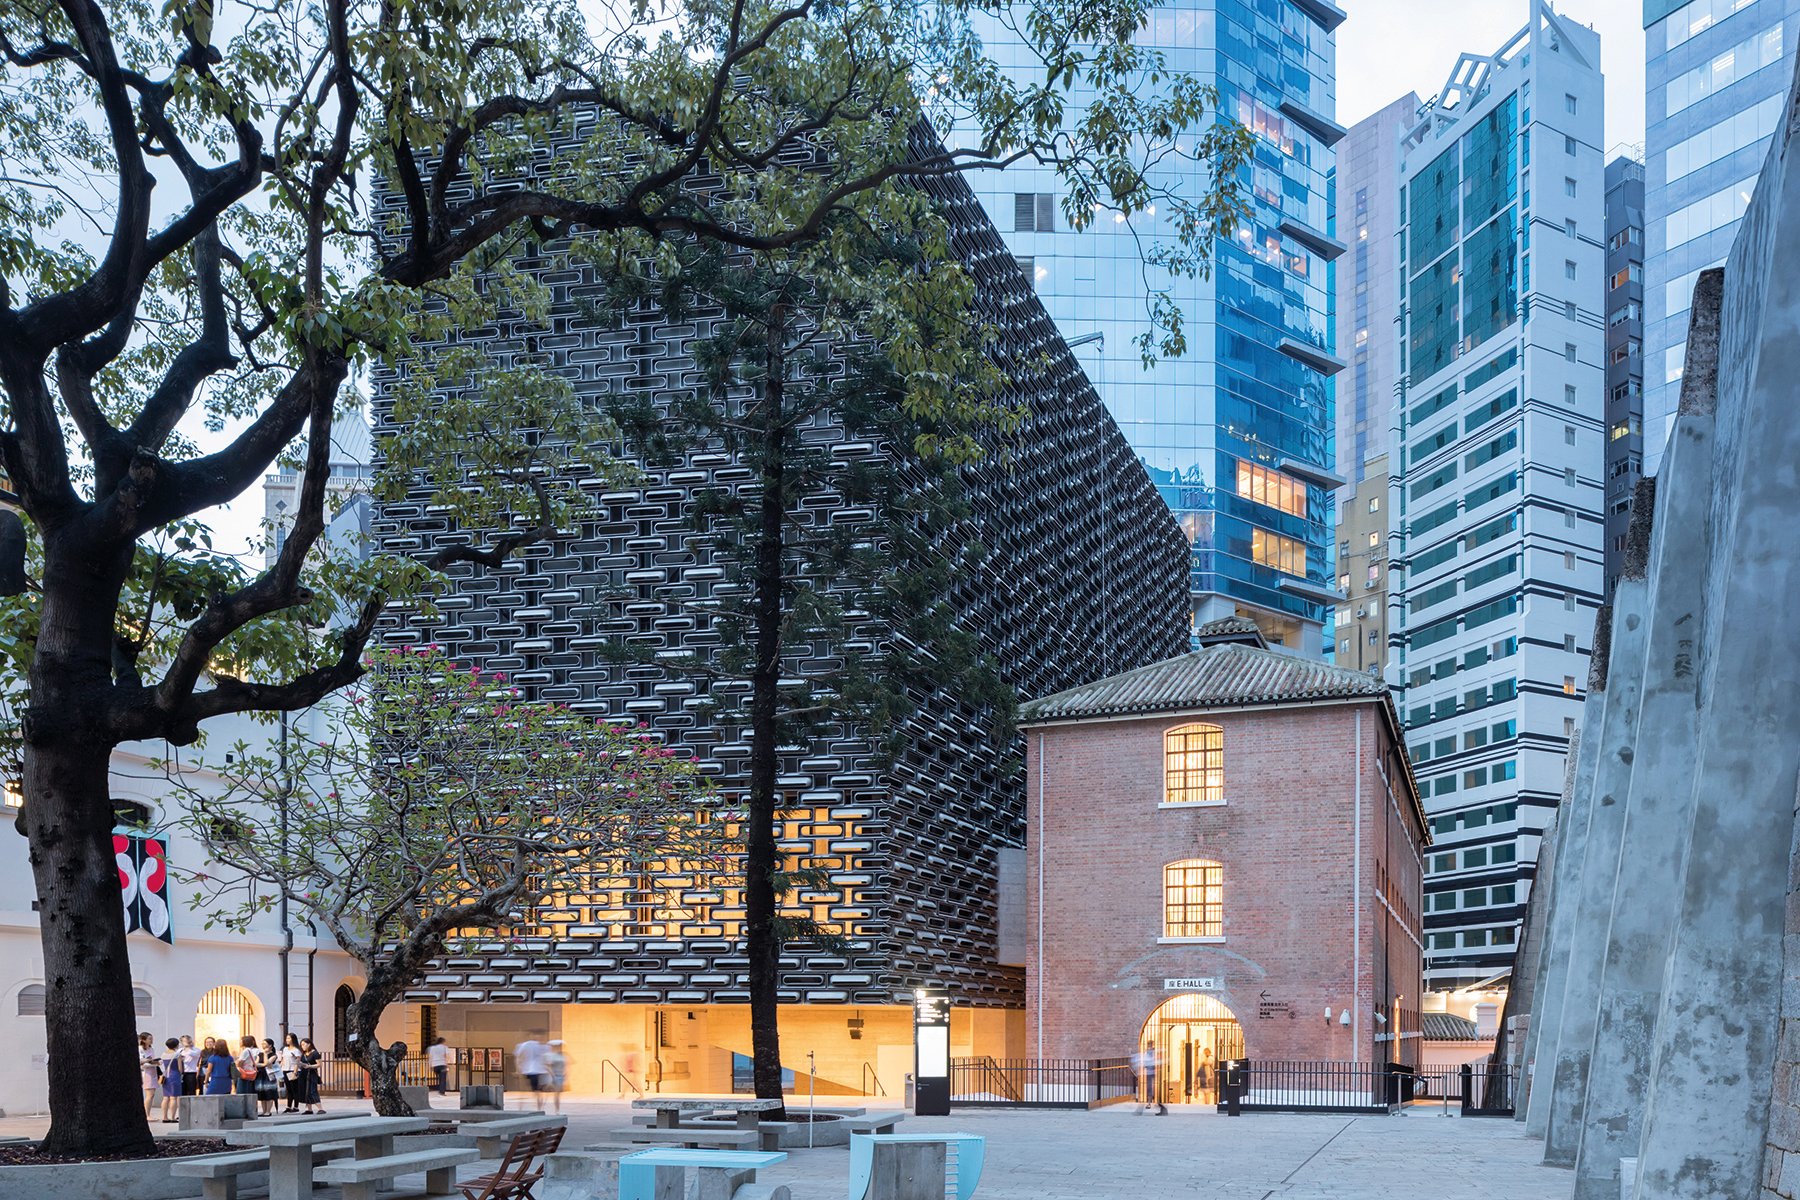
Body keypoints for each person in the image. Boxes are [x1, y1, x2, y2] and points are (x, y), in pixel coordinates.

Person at [1131, 1043, 1167, 1116]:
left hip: (1150, 1074)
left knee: (1149, 1090)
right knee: (1149, 1091)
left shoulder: (1150, 1054)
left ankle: (1140, 1110)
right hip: (1149, 1074)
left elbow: (1149, 1063)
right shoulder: (1150, 1053)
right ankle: (1142, 1109)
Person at [158, 1038, 183, 1123]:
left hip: (166, 1076)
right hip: (175, 1076)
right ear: (176, 1045)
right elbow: (180, 1069)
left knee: (165, 1098)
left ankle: (165, 1117)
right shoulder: (177, 1055)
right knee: (173, 1098)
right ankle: (172, 1117)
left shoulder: (163, 1054)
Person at [297, 1037, 324, 1115]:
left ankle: (320, 1108)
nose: (302, 1046)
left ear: (309, 1044)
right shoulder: (304, 1054)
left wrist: (310, 1066)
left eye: (303, 1044)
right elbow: (301, 1062)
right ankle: (309, 1109)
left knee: (312, 1090)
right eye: (301, 1045)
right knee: (306, 1091)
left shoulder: (315, 1053)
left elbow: (319, 1064)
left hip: (311, 1074)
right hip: (304, 1073)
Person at [139, 1032, 162, 1116]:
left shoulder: (151, 1049)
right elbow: (142, 1061)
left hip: (153, 1072)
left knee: (152, 1095)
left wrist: (156, 1062)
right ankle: (146, 1114)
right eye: (149, 1039)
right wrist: (151, 1062)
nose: (151, 1040)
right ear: (144, 1040)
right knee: (150, 1094)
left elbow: (151, 1059)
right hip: (146, 1073)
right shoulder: (140, 1049)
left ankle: (148, 1113)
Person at [280, 1033, 304, 1112]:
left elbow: (297, 1061)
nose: (287, 1040)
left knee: (294, 1089)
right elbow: (283, 1059)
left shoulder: (297, 1050)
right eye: (286, 1038)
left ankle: (296, 1107)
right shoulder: (285, 1049)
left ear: (293, 1039)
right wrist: (280, 1068)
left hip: (292, 1069)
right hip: (285, 1069)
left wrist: (295, 1072)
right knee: (289, 1089)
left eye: (289, 1038)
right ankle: (288, 1106)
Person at [256, 1038, 280, 1115]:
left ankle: (268, 1111)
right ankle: (264, 1111)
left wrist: (265, 1055)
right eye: (262, 1043)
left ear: (270, 1045)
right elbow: (256, 1064)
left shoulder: (273, 1055)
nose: (263, 1045)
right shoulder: (260, 1054)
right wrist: (263, 1065)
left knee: (269, 1092)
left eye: (264, 1044)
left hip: (269, 1075)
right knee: (262, 1092)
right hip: (261, 1074)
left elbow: (268, 1063)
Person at [543, 1040, 568, 1114]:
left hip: (561, 1076)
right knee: (555, 1093)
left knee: (557, 1094)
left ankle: (556, 1109)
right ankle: (555, 1109)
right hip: (554, 1075)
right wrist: (552, 1075)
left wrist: (565, 1074)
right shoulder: (552, 1055)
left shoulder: (563, 1056)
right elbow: (548, 1066)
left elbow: (566, 1065)